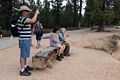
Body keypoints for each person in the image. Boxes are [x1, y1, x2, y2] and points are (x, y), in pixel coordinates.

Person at [17, 5, 39, 76]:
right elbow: (33, 20)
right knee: (23, 55)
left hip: (25, 39)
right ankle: (22, 70)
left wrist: (30, 40)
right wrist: (36, 13)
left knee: (25, 54)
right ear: (23, 12)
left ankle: (25, 66)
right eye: (27, 11)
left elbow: (29, 27)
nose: (28, 12)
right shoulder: (22, 19)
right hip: (23, 40)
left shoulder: (24, 18)